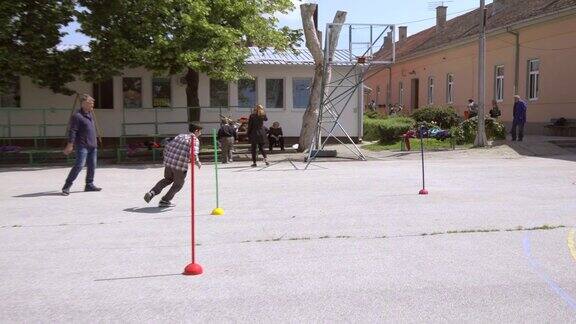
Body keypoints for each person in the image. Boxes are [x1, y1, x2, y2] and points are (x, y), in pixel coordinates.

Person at [143, 124, 202, 208]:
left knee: (167, 179)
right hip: (180, 166)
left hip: (169, 163)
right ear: (196, 131)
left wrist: (167, 157)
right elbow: (193, 153)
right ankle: (165, 200)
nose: (200, 133)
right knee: (178, 184)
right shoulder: (194, 140)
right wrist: (197, 162)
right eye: (200, 131)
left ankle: (152, 192)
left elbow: (167, 146)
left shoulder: (180, 136)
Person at [61, 94, 101, 196]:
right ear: (83, 103)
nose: (92, 104)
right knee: (79, 165)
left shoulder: (90, 114)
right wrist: (70, 144)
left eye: (92, 103)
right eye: (90, 102)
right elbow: (73, 131)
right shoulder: (77, 116)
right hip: (82, 146)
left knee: (92, 166)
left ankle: (89, 184)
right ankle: (67, 186)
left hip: (92, 145)